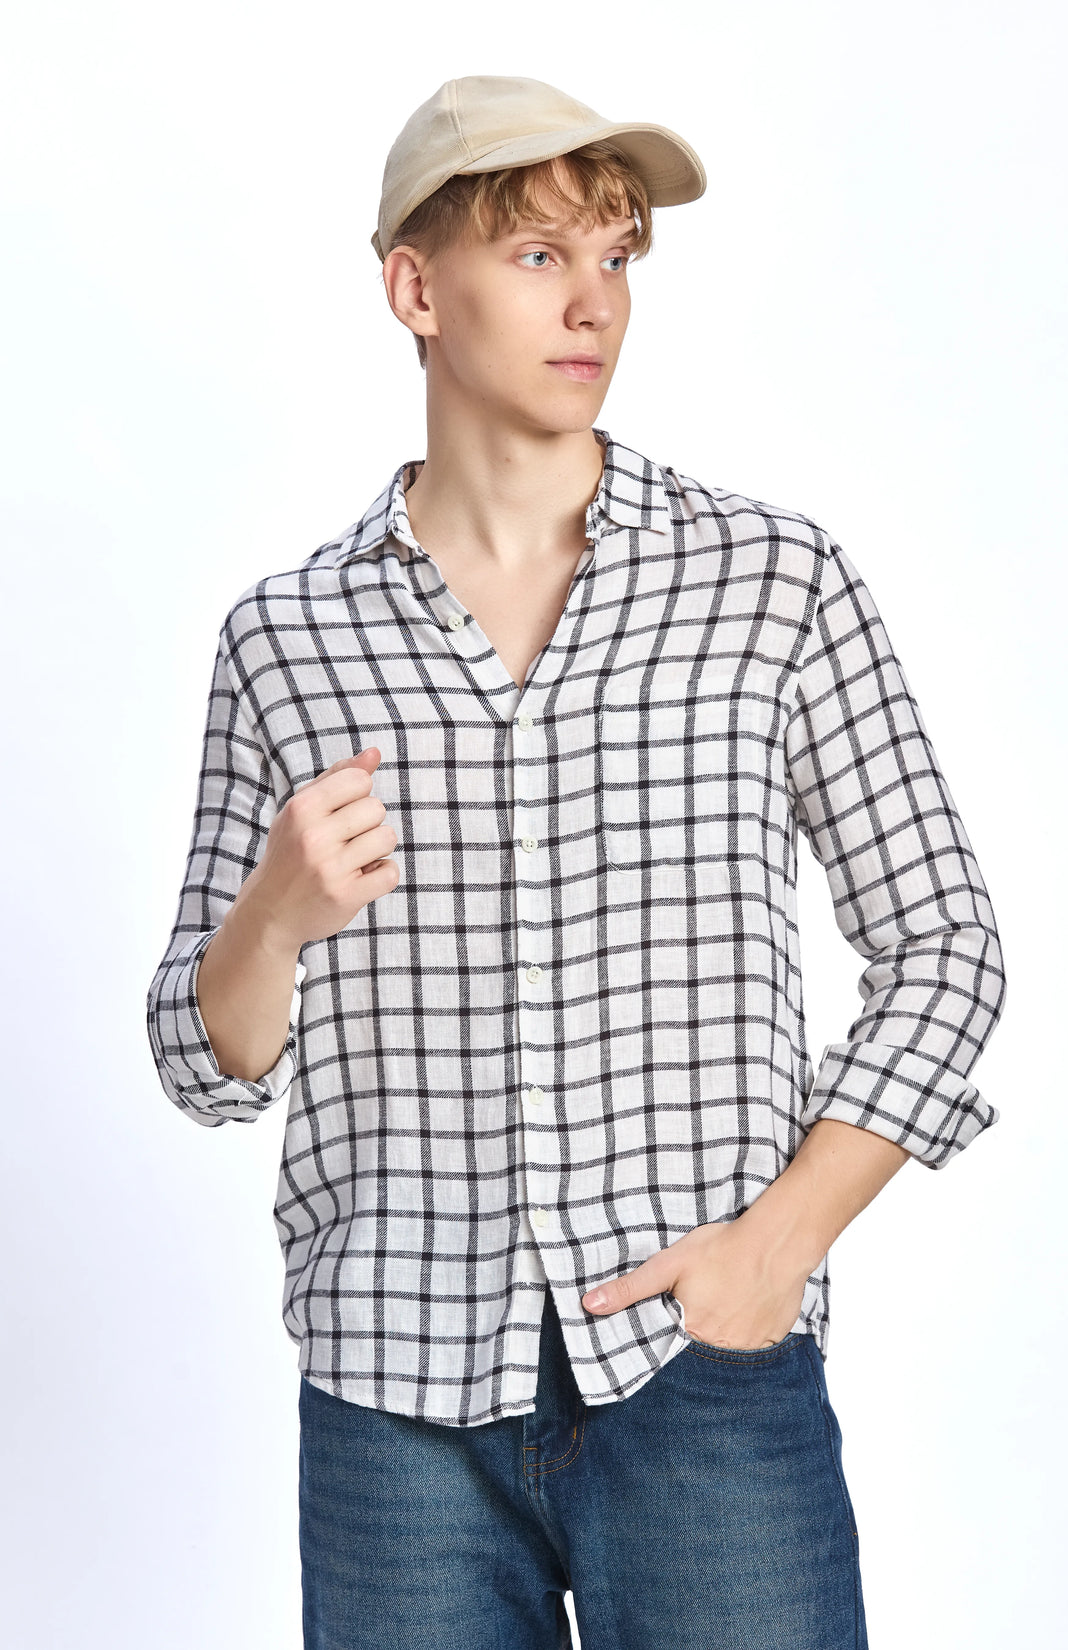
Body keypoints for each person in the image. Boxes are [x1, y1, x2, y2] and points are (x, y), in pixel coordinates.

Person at [147, 74, 1006, 1650]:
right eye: (539, 256)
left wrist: (776, 1250)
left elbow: (948, 943)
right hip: (394, 1402)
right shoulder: (288, 636)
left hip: (701, 1375)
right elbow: (204, 1063)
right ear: (417, 290)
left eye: (616, 257)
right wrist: (275, 911)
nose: (593, 301)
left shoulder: (772, 580)